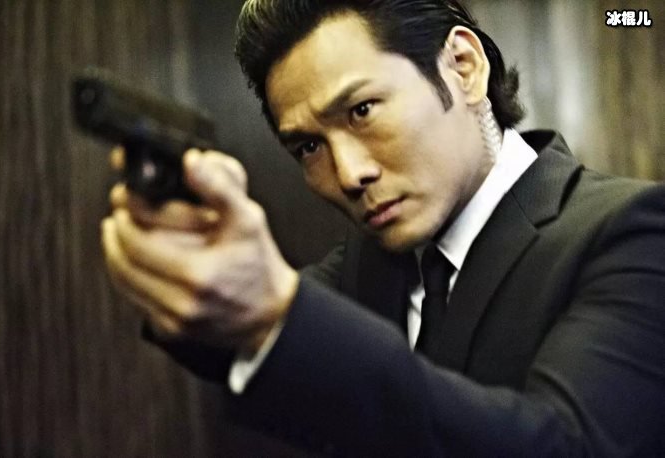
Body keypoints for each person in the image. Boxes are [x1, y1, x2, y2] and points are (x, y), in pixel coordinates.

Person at [101, 0, 665, 455]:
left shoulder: (631, 231)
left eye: (362, 111)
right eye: (309, 146)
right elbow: (241, 332)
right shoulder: (370, 265)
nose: (349, 174)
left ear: (462, 67)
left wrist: (276, 308)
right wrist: (181, 247)